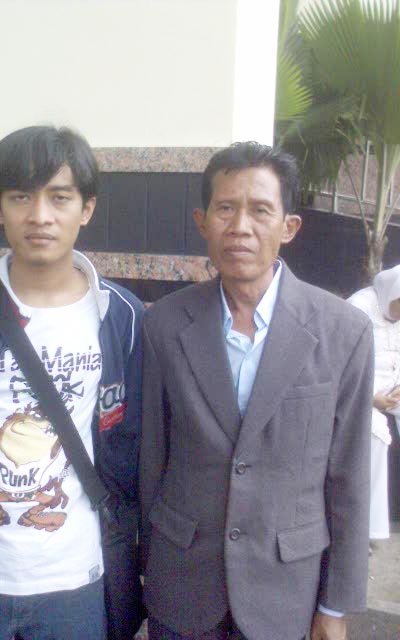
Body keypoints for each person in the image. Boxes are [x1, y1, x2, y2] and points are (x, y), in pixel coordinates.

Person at [140, 142, 374, 640]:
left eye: (260, 210)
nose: (240, 227)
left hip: (285, 589)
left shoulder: (344, 331)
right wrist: (144, 569)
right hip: (182, 583)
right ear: (203, 222)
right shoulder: (164, 323)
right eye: (225, 208)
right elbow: (151, 460)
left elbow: (349, 477)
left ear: (289, 227)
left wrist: (335, 605)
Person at [0, 126, 144, 640]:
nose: (40, 215)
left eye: (59, 197)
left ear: (87, 208)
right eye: (21, 197)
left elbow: (132, 452)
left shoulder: (121, 316)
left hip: (77, 582)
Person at [348, 265, 400, 543]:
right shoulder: (359, 308)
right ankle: (367, 530)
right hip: (358, 394)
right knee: (375, 433)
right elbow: (341, 365)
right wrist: (371, 397)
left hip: (393, 393)